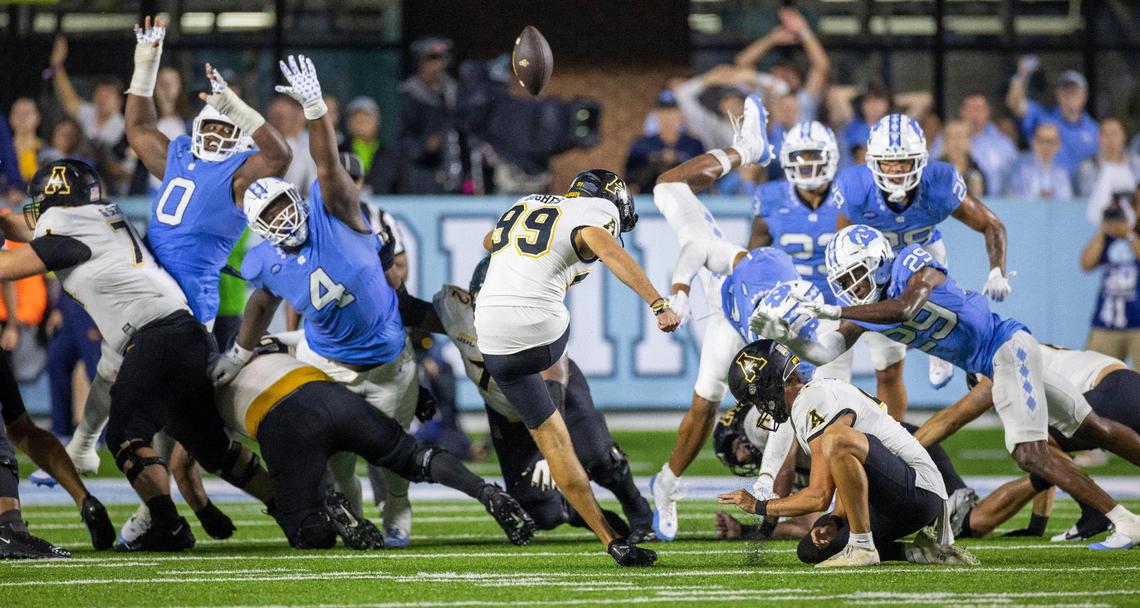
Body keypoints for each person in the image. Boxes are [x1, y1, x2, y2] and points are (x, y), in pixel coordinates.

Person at [752, 224, 1140, 550]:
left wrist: (835, 311)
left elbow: (906, 307)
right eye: (845, 283)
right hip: (997, 357)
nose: (854, 288)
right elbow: (825, 351)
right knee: (1095, 429)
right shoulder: (866, 310)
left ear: (879, 261)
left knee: (1030, 453)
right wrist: (789, 338)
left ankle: (1123, 520)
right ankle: (1124, 519)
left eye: (857, 275)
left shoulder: (910, 264)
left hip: (1005, 347)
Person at [0, 159, 272, 552]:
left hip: (155, 337)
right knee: (211, 447)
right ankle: (295, 509)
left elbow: (10, 265)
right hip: (183, 332)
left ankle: (168, 525)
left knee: (126, 434)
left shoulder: (66, 229)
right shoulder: (96, 215)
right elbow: (24, 228)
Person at [210, 55, 424, 548]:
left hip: (389, 361)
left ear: (298, 197)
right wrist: (240, 351)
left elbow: (328, 164)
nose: (282, 217)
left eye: (285, 203)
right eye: (270, 213)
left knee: (393, 459)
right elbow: (262, 302)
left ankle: (397, 506)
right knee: (338, 461)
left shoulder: (338, 212)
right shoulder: (265, 257)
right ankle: (353, 522)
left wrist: (313, 107)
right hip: (331, 364)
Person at [650, 97, 840, 542]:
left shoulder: (802, 344)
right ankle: (667, 484)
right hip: (725, 315)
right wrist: (678, 294)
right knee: (705, 403)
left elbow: (787, 419)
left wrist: (766, 478)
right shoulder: (759, 269)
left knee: (787, 413)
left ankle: (775, 507)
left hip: (757, 341)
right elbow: (699, 250)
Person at [474, 166, 676, 567]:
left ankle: (610, 540)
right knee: (558, 327)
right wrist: (658, 302)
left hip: (491, 340)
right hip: (540, 334)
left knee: (554, 442)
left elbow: (490, 240)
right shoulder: (595, 212)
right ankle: (561, 390)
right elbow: (610, 250)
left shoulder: (526, 203)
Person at [396, 257, 654, 540]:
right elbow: (406, 309)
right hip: (506, 411)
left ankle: (637, 509)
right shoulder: (457, 312)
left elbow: (554, 377)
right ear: (473, 300)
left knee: (600, 460)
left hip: (556, 398)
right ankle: (571, 508)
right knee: (539, 512)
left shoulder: (534, 312)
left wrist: (549, 451)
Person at [215, 339, 533, 549]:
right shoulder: (268, 343)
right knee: (413, 455)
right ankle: (486, 492)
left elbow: (213, 454)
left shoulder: (206, 388)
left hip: (280, 418)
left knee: (305, 528)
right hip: (330, 395)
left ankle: (332, 510)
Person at [717, 340, 976, 567]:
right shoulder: (807, 403)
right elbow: (848, 475)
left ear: (770, 385)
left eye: (758, 399)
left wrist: (758, 505)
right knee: (812, 548)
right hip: (891, 494)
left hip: (919, 491)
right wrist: (838, 521)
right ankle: (917, 552)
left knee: (835, 438)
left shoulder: (813, 399)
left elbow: (819, 496)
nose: (761, 409)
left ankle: (862, 546)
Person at [834, 113, 1011, 401]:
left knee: (945, 313)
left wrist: (997, 270)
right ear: (872, 162)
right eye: (888, 162)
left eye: (903, 161)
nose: (895, 171)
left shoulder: (939, 183)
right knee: (887, 366)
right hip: (879, 267)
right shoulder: (856, 188)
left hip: (926, 254)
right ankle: (896, 435)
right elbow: (842, 242)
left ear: (920, 160)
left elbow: (991, 224)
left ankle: (940, 349)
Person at [915, 346, 1140, 543]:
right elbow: (1051, 455)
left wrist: (903, 448)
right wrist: (1037, 524)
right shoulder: (1025, 354)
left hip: (1111, 388)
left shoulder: (996, 363)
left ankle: (1104, 512)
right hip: (1124, 384)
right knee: (1040, 446)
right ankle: (1095, 512)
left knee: (1030, 448)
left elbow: (951, 418)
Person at [712, 396, 975, 544]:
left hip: (908, 455)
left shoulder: (787, 421)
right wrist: (748, 531)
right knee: (818, 547)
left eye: (736, 445)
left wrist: (764, 518)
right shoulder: (806, 451)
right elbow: (807, 523)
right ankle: (910, 549)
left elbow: (786, 474)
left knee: (974, 523)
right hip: (884, 476)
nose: (739, 456)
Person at [734, 7, 830, 124]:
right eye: (779, 74)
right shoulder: (761, 96)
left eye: (789, 75)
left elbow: (821, 67)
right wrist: (772, 39)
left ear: (799, 80)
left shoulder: (804, 100)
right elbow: (742, 62)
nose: (784, 77)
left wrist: (804, 32)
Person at [1007, 58, 1098, 177]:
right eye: (1065, 92)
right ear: (1058, 95)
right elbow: (1014, 103)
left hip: (1080, 194)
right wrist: (1021, 75)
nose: (1069, 97)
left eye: (1074, 92)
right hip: (1047, 188)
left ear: (1084, 97)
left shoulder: (1094, 129)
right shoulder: (1043, 117)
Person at [1080, 192, 1140, 368]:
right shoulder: (1110, 237)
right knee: (1094, 378)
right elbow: (1086, 263)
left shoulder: (1131, 235)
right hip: (1107, 322)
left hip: (1138, 324)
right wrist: (1105, 228)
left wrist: (1129, 234)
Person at [398, 36, 465, 194]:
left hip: (453, 172)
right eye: (431, 59)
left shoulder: (453, 92)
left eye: (441, 59)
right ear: (420, 62)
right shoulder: (409, 95)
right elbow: (401, 141)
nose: (436, 65)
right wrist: (424, 146)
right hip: (421, 175)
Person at [625, 91, 705, 193]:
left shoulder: (693, 144)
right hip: (649, 201)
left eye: (671, 111)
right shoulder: (641, 144)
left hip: (685, 200)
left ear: (680, 114)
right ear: (656, 115)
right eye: (663, 111)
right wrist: (655, 160)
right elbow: (629, 180)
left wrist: (678, 159)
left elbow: (703, 177)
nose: (667, 117)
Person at [957, 93, 1017, 196]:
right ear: (961, 112)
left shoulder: (1004, 144)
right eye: (970, 109)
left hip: (999, 204)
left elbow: (1015, 179)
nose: (974, 114)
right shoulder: (949, 138)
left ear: (988, 112)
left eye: (979, 109)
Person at [1080, 119, 1140, 222]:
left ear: (1123, 136)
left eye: (1114, 134)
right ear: (1099, 138)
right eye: (1106, 134)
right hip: (1099, 221)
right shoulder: (1088, 168)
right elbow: (1085, 201)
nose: (1110, 139)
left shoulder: (1136, 164)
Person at [342, 96, 399, 195]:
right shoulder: (336, 152)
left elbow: (402, 192)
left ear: (377, 121)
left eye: (367, 114)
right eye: (356, 115)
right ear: (348, 123)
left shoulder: (392, 155)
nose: (361, 119)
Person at [1004, 123, 1073, 198]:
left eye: (1050, 142)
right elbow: (1012, 196)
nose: (1045, 146)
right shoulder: (1019, 166)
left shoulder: (1061, 173)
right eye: (1041, 141)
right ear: (1033, 142)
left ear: (1058, 145)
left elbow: (1066, 200)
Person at [939, 120, 986, 198]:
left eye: (961, 136)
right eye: (952, 137)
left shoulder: (978, 172)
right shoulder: (934, 171)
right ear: (944, 141)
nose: (956, 142)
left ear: (969, 141)